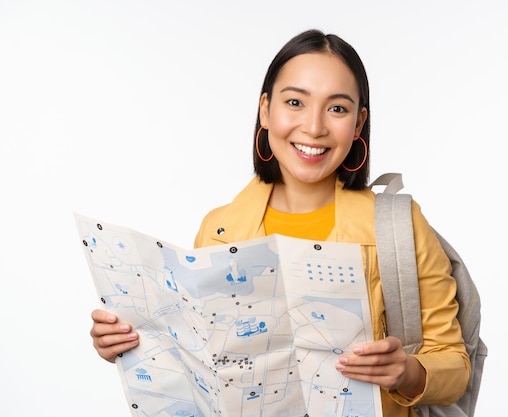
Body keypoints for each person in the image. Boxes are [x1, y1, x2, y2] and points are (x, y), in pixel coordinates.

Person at [90, 29, 470, 416]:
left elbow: (455, 366)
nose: (315, 127)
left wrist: (405, 372)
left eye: (337, 108)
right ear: (265, 110)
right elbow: (200, 362)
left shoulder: (397, 226)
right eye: (295, 102)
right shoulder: (219, 230)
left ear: (358, 124)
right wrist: (133, 342)